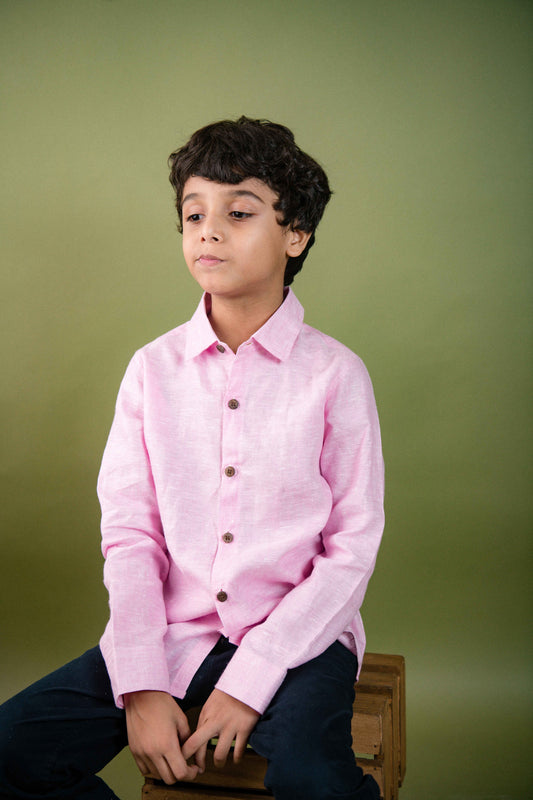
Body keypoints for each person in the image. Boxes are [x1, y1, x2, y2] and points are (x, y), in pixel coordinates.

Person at [0, 117, 384, 800]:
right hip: (169, 635)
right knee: (10, 754)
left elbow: (351, 548)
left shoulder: (335, 374)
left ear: (294, 234)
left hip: (298, 646)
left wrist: (250, 679)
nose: (208, 230)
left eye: (238, 212)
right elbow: (130, 534)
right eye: (193, 214)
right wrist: (142, 682)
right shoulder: (151, 371)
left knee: (314, 782)